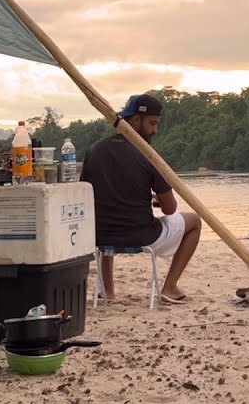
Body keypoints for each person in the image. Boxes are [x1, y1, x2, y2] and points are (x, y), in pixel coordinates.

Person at [81, 93, 202, 305]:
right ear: (136, 120)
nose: (156, 130)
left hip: (101, 237)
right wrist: (156, 200)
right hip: (141, 236)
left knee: (107, 217)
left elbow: (84, 194)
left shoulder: (94, 151)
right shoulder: (149, 156)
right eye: (152, 123)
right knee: (195, 222)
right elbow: (170, 209)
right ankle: (170, 287)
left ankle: (108, 291)